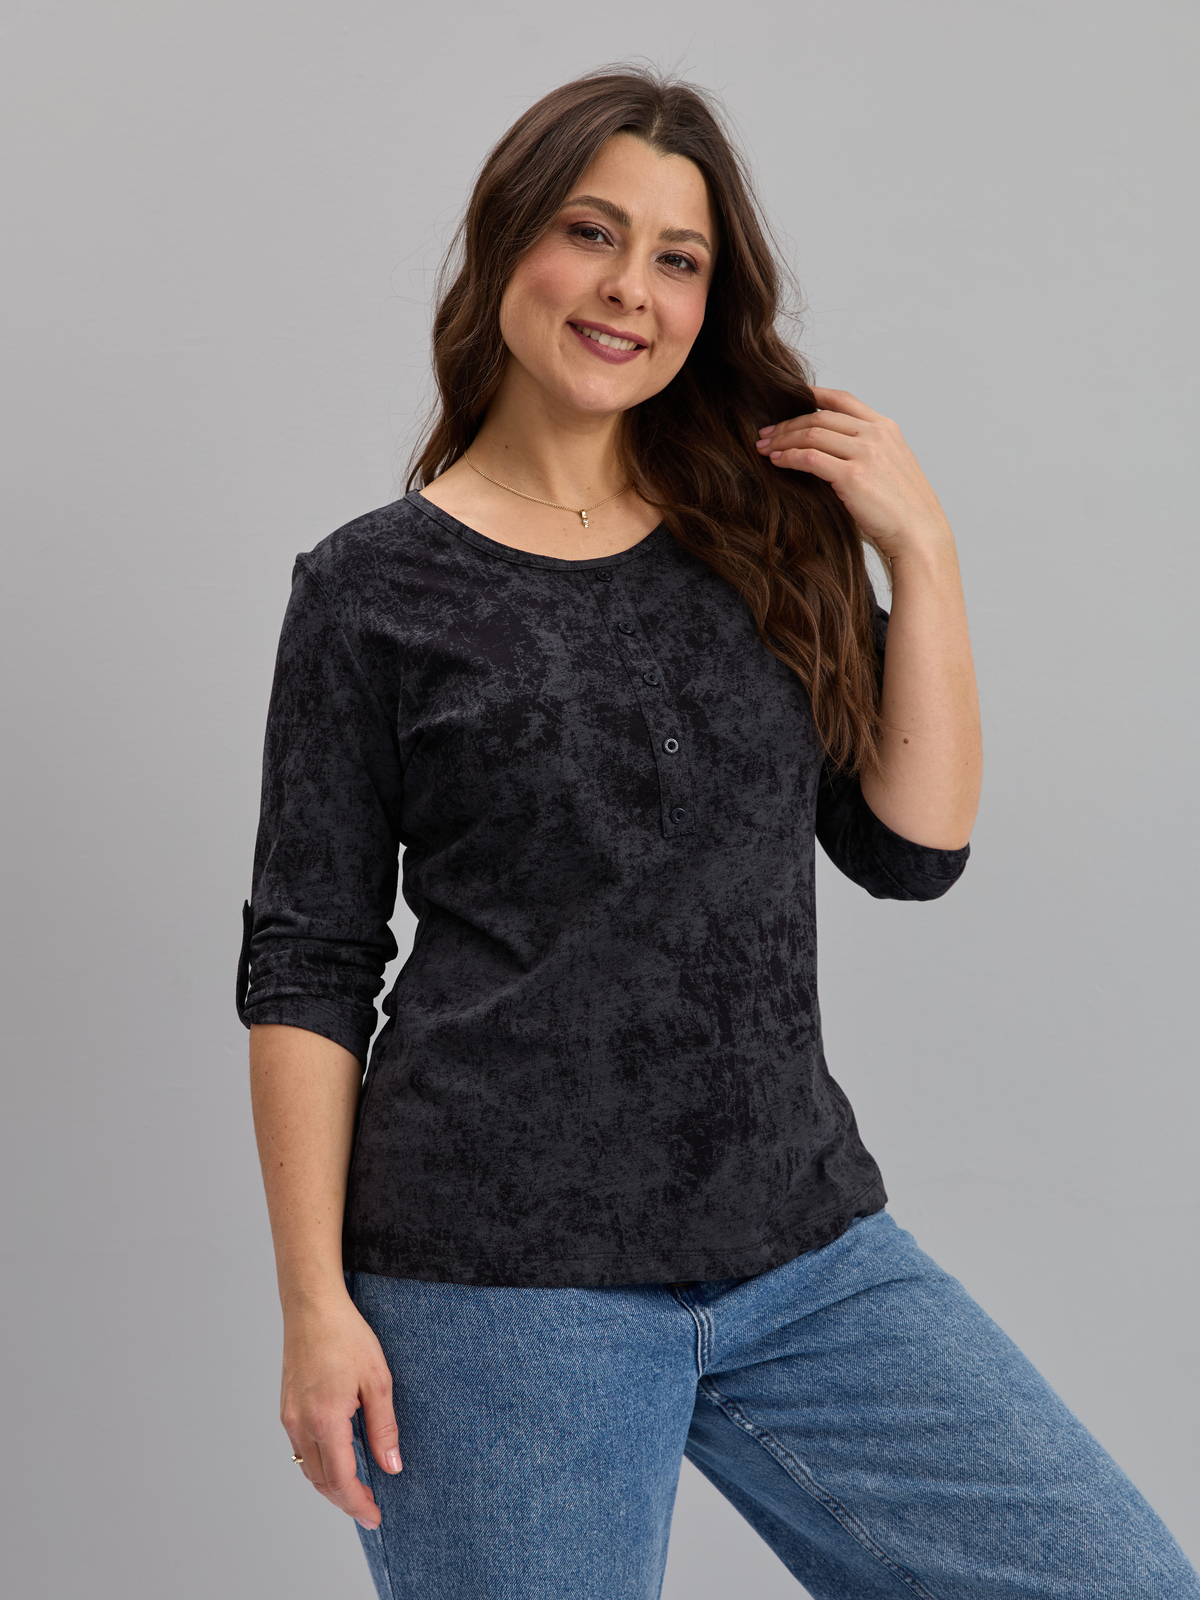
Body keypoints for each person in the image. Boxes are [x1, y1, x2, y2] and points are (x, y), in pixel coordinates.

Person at [239, 68, 1197, 1600]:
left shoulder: (759, 536)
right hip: (499, 1281)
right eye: (591, 233)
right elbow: (309, 957)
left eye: (677, 258)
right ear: (505, 246)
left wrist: (923, 552)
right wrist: (313, 1305)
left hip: (803, 1250)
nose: (633, 287)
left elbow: (913, 844)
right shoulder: (372, 590)